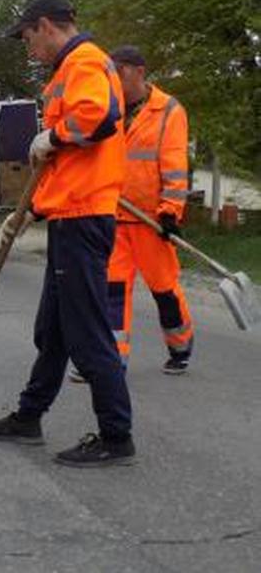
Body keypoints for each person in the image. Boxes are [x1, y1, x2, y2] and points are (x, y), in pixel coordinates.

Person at [0, 0, 136, 467]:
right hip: (70, 216)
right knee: (54, 331)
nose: (29, 48)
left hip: (84, 221)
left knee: (86, 333)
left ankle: (116, 436)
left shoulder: (84, 61)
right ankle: (29, 417)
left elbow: (100, 119)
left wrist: (55, 136)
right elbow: (68, 170)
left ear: (45, 26)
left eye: (27, 38)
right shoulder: (69, 68)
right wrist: (31, 212)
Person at [70, 45, 192, 378]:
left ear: (139, 71)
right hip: (112, 217)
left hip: (151, 221)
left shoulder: (168, 110)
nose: (115, 79)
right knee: (111, 292)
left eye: (120, 71)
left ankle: (180, 347)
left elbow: (175, 166)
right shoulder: (109, 108)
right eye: (112, 72)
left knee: (164, 289)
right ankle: (110, 362)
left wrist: (170, 212)